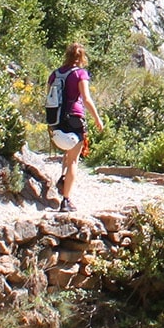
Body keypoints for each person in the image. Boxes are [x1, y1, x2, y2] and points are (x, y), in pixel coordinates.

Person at [46, 41, 103, 209]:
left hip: (56, 119)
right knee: (74, 160)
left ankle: (63, 177)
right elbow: (86, 99)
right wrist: (97, 118)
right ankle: (66, 200)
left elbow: (49, 98)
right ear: (81, 57)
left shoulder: (54, 74)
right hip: (75, 118)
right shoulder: (81, 74)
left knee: (67, 153)